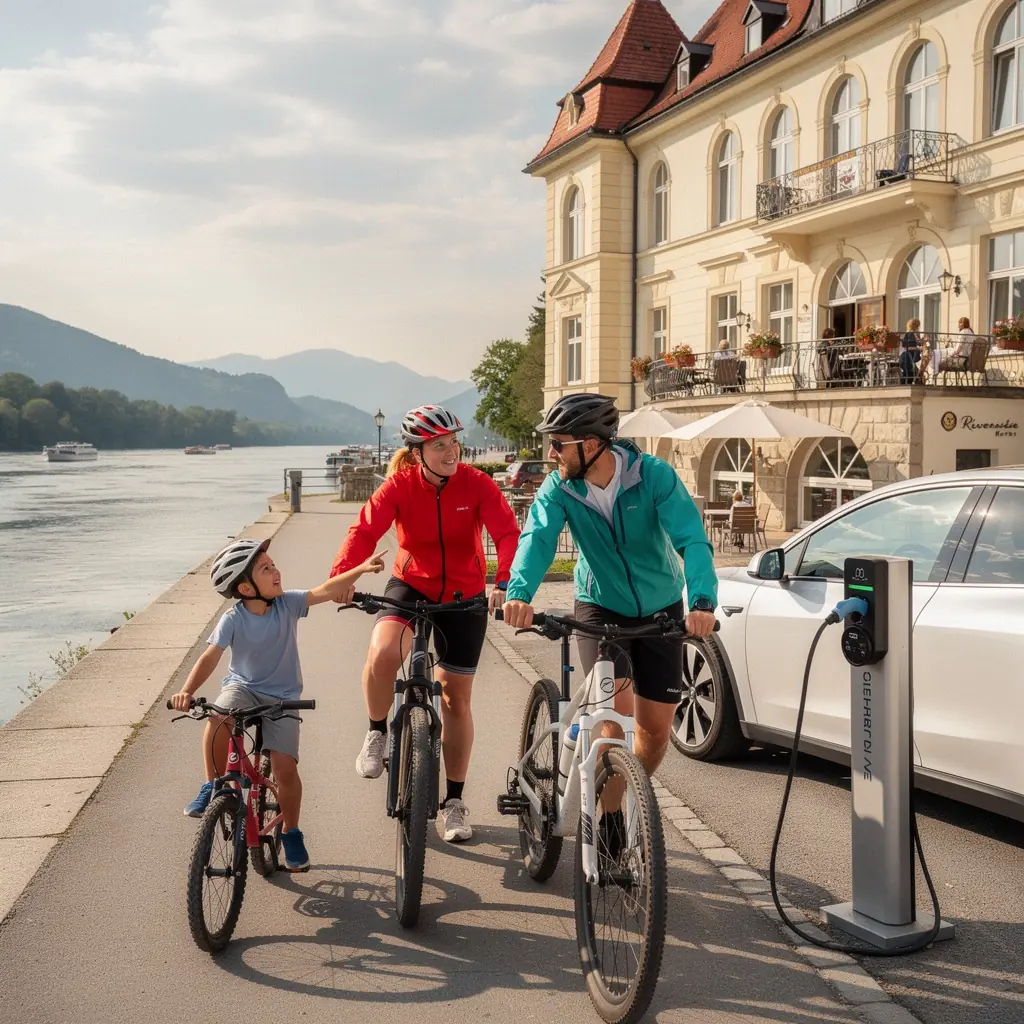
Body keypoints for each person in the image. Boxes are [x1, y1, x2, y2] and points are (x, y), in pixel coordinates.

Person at [502, 394, 718, 844]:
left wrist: (701, 602)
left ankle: (624, 784)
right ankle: (612, 817)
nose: (551, 453)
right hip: (599, 606)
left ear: (592, 445)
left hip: (662, 609)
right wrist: (518, 593)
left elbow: (692, 539)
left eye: (559, 444)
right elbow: (538, 537)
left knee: (656, 732)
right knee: (614, 717)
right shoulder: (560, 487)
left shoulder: (652, 476)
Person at [331, 404, 520, 843]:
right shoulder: (399, 488)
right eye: (440, 445)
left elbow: (508, 533)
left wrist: (505, 581)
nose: (451, 451)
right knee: (382, 652)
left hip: (465, 594)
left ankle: (453, 801)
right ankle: (377, 730)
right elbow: (363, 532)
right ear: (418, 453)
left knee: (455, 699)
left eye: (454, 443)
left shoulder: (476, 485)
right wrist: (342, 576)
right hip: (411, 585)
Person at [173, 538, 385, 871]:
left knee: (285, 767)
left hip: (284, 696)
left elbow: (324, 591)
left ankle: (292, 832)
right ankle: (213, 785)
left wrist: (360, 568)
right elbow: (210, 657)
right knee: (218, 718)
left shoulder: (287, 604)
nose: (276, 571)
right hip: (242, 687)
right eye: (266, 568)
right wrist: (186, 691)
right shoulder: (233, 619)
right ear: (245, 588)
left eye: (274, 565)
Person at [899, 318, 926, 385]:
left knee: (913, 371)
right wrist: (919, 349)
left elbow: (918, 343)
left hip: (913, 356)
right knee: (910, 373)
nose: (919, 327)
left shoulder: (915, 334)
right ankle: (919, 378)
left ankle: (919, 378)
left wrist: (922, 341)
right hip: (909, 356)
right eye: (918, 325)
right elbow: (907, 347)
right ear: (915, 326)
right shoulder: (910, 334)